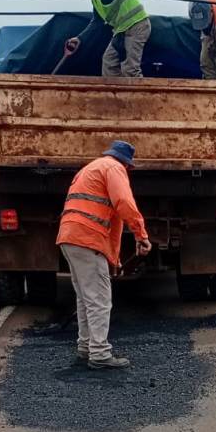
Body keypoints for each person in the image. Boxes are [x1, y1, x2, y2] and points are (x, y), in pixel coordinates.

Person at [56, 140, 152, 369]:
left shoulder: (91, 168)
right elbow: (124, 203)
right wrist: (141, 235)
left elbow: (113, 221)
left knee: (85, 297)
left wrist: (114, 260)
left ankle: (86, 347)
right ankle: (99, 353)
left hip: (69, 237)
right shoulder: (114, 169)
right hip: (86, 238)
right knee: (99, 300)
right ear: (126, 163)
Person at [62, 0, 152, 77]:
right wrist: (80, 38)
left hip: (136, 25)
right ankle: (115, 89)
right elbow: (97, 22)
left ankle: (139, 89)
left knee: (130, 69)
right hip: (121, 31)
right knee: (109, 63)